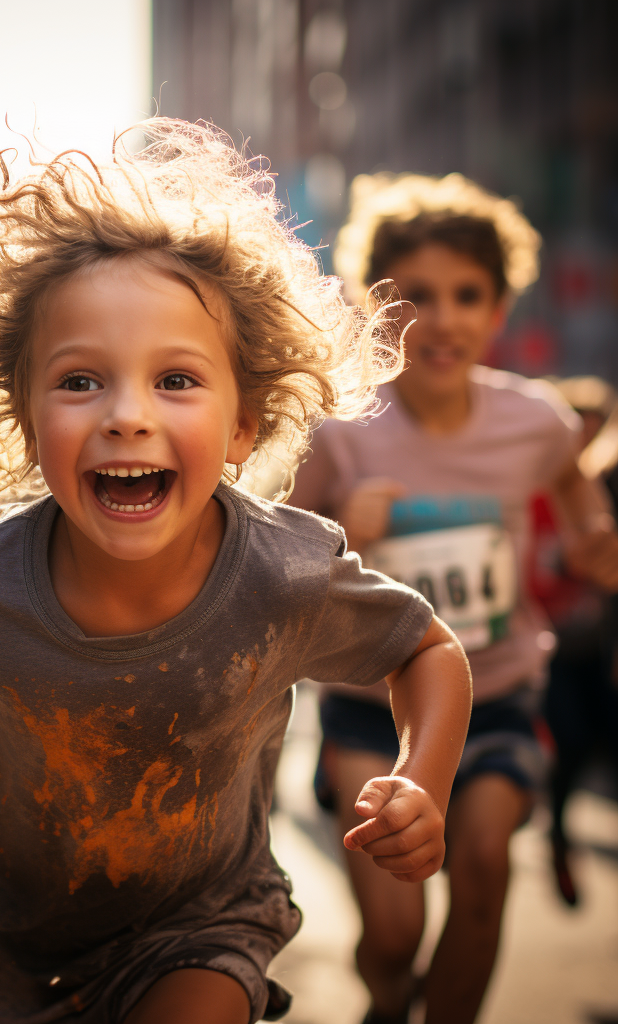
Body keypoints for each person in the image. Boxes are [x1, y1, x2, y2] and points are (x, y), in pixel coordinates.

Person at [0, 119, 473, 1024]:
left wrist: (423, 779)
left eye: (176, 380)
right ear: (27, 421)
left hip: (203, 921)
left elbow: (426, 649)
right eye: (79, 383)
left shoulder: (282, 572)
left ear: (244, 424)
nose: (127, 417)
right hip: (7, 936)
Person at [290, 173, 618, 1024]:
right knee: (394, 931)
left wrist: (592, 543)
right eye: (414, 296)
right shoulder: (341, 430)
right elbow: (276, 547)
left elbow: (576, 495)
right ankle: (389, 999)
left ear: (500, 307)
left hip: (499, 693)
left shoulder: (536, 421)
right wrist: (337, 522)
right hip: (371, 705)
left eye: (468, 295)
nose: (443, 318)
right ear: (373, 304)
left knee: (483, 873)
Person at [528, 376, 618, 906]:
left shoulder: (606, 487)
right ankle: (556, 833)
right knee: (570, 734)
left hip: (594, 645)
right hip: (545, 646)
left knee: (599, 736)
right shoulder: (530, 488)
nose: (583, 441)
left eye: (594, 430)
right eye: (575, 430)